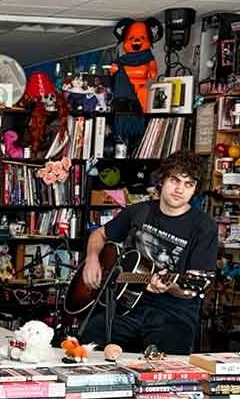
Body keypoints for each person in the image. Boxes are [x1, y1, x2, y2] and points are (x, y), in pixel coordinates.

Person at [80, 151, 217, 354]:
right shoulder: (140, 212)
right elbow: (99, 235)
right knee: (85, 343)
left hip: (173, 315)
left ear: (195, 189)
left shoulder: (204, 227)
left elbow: (191, 289)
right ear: (162, 180)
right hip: (127, 306)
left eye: (189, 184)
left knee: (161, 365)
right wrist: (92, 259)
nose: (180, 189)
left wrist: (169, 286)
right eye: (175, 180)